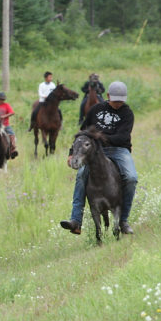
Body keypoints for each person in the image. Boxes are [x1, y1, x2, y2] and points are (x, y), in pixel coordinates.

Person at [60, 81, 137, 235]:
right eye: (115, 100)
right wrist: (71, 152)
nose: (118, 104)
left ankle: (123, 220)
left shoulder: (127, 113)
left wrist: (98, 136)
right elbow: (83, 133)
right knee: (81, 176)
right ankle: (76, 221)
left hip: (119, 150)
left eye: (121, 101)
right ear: (108, 96)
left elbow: (122, 137)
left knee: (131, 178)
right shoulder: (96, 109)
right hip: (95, 151)